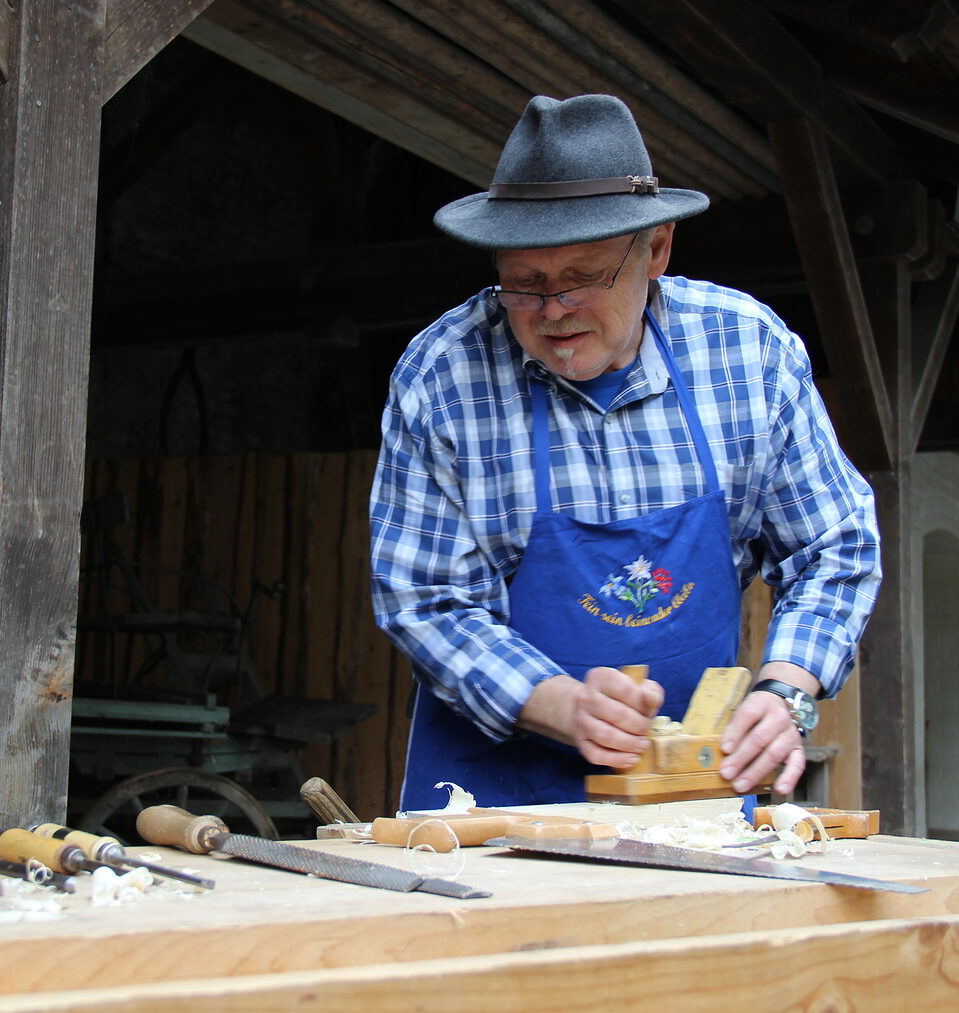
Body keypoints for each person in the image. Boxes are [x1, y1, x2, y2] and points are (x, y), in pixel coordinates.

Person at [369, 94, 881, 813]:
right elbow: (427, 598)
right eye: (525, 283)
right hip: (488, 804)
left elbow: (833, 543)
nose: (553, 310)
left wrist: (788, 688)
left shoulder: (748, 354)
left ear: (658, 250)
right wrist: (560, 704)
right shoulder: (445, 377)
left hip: (691, 795)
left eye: (582, 277)